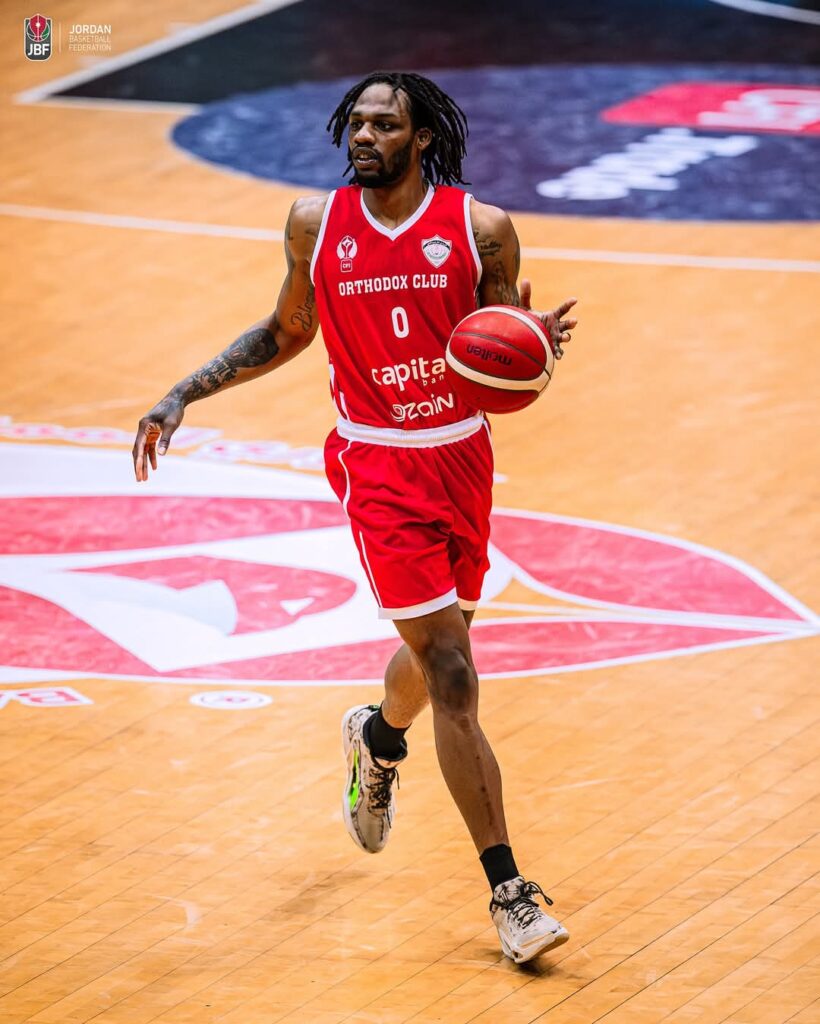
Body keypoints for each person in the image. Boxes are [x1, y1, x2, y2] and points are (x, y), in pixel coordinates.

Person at [133, 70, 577, 965]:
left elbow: (498, 340)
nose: (364, 137)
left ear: (422, 139)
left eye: (384, 125)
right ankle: (511, 894)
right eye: (357, 123)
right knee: (453, 672)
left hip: (462, 455)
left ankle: (377, 737)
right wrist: (184, 392)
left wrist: (531, 345)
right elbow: (285, 331)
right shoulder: (315, 223)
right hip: (377, 463)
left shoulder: (481, 228)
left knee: (438, 656)